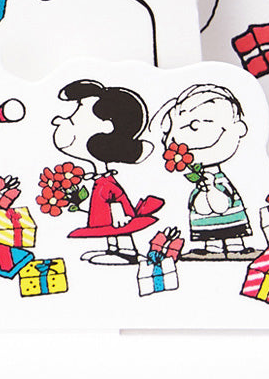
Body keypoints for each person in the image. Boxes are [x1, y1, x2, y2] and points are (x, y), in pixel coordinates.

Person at [52, 79, 162, 264]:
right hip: (109, 212)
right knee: (109, 229)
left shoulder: (107, 181)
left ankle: (127, 252)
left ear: (106, 127)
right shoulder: (100, 178)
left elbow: (116, 195)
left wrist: (120, 214)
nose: (60, 121)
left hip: (118, 215)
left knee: (117, 229)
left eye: (74, 119)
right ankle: (113, 250)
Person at [160, 83, 256, 260]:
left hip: (229, 217)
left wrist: (211, 188)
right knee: (210, 237)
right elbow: (201, 207)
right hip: (206, 221)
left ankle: (235, 247)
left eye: (195, 126)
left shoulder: (219, 180)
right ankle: (213, 247)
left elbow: (222, 205)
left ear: (238, 128)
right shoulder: (199, 179)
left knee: (232, 232)